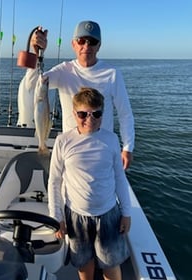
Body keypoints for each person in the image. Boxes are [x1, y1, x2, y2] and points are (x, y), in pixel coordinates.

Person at [18, 20, 134, 169]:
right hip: (71, 150)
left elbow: (125, 113)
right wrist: (38, 53)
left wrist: (127, 148)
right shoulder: (64, 70)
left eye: (92, 42)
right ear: (73, 44)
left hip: (103, 150)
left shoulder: (112, 73)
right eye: (81, 41)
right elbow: (35, 84)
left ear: (99, 46)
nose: (86, 46)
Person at [48, 87, 131, 280]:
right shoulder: (63, 141)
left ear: (103, 113)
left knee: (111, 267)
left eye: (96, 114)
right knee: (84, 266)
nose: (90, 119)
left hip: (108, 214)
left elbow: (119, 177)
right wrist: (56, 217)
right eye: (83, 114)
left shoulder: (111, 139)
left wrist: (126, 213)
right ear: (74, 114)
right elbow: (54, 180)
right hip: (76, 216)